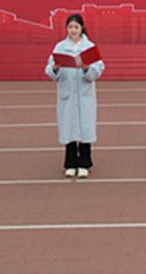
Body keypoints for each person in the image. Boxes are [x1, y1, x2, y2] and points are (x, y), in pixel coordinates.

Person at [46, 14, 105, 178]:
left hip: (84, 93)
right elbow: (49, 69)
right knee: (68, 127)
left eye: (76, 27)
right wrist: (55, 68)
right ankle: (70, 163)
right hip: (67, 93)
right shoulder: (60, 47)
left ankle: (84, 163)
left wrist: (87, 69)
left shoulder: (89, 47)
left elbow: (98, 69)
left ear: (82, 28)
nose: (73, 30)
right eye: (70, 27)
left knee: (85, 127)